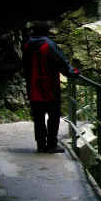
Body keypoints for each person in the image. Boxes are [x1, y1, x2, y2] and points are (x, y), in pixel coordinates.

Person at [22, 20, 79, 153]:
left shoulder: (26, 45)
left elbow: (25, 65)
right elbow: (62, 63)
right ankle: (51, 144)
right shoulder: (49, 45)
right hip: (49, 87)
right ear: (46, 31)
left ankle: (41, 145)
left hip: (33, 87)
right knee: (53, 117)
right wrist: (73, 72)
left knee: (38, 118)